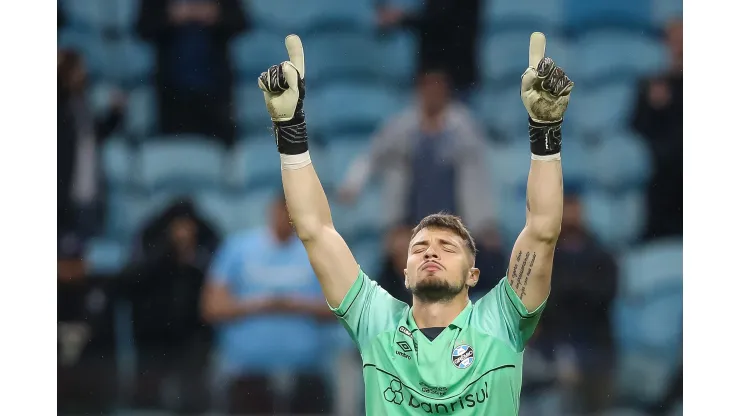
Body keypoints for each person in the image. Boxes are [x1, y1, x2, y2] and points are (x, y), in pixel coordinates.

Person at [256, 32, 573, 414]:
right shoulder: (376, 321)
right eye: (419, 247)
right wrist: (290, 129)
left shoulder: (501, 320)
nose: (431, 251)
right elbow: (314, 230)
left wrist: (545, 132)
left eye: (447, 246)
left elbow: (542, 230)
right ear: (404, 272)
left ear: (474, 274)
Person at [201, 194, 336, 415]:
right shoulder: (238, 248)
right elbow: (212, 307)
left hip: (307, 377)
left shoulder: (320, 252)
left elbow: (342, 309)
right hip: (247, 377)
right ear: (272, 211)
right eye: (283, 211)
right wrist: (259, 304)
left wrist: (295, 305)